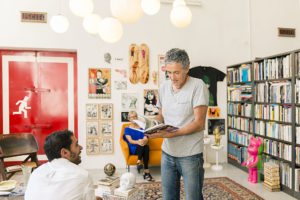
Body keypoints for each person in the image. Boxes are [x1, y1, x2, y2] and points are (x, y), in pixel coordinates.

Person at [147, 48, 209, 200]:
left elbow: (199, 123)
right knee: (168, 197)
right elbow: (161, 116)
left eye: (176, 72)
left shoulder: (198, 86)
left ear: (187, 68)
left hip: (190, 155)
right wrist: (147, 126)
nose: (172, 77)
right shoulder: (163, 88)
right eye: (168, 72)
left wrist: (170, 134)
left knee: (193, 197)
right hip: (167, 153)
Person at [25, 130, 102, 200]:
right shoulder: (83, 175)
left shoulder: (36, 173)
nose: (81, 147)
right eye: (76, 144)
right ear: (64, 152)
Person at [123, 111, 154, 181]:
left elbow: (146, 138)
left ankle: (139, 162)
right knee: (143, 146)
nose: (134, 118)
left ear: (137, 118)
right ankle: (146, 171)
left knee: (145, 146)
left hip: (142, 147)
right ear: (129, 119)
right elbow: (130, 140)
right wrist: (139, 141)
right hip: (133, 148)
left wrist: (144, 140)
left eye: (135, 117)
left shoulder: (142, 128)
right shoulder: (127, 129)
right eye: (132, 117)